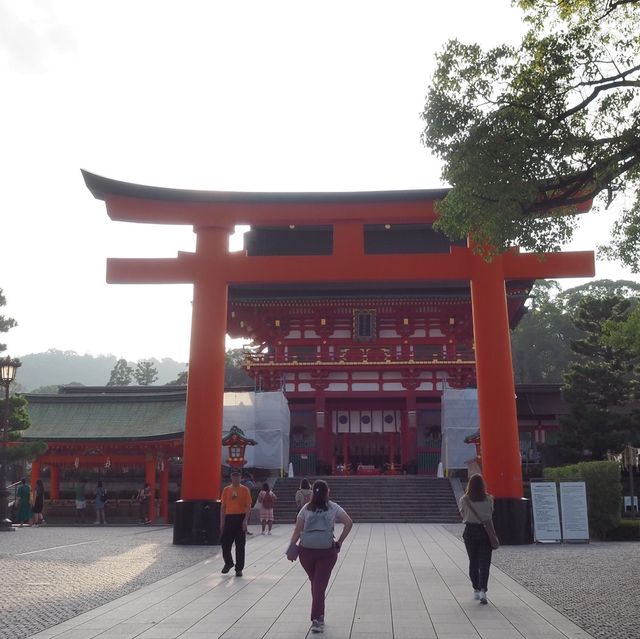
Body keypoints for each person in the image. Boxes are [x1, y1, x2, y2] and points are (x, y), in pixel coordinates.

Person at [286, 479, 353, 634]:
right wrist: (340, 542)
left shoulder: (305, 508)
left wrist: (291, 548)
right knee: (319, 584)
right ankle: (317, 619)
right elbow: (348, 523)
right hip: (326, 552)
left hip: (306, 552)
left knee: (316, 583)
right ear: (327, 492)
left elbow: (297, 531)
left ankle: (318, 615)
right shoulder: (333, 507)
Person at [458, 473, 495, 605]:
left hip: (470, 531)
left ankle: (476, 588)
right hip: (485, 531)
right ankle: (483, 590)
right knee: (484, 563)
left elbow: (462, 515)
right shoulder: (489, 499)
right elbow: (490, 513)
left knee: (473, 561)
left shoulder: (464, 499)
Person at [220, 470, 252, 577]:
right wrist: (222, 521)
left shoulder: (244, 490)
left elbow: (248, 506)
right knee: (225, 543)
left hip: (240, 517)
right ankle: (228, 562)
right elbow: (223, 506)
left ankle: (239, 568)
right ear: (231, 478)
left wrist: (245, 520)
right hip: (229, 517)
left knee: (240, 545)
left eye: (237, 477)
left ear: (240, 478)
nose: (235, 479)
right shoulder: (226, 490)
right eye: (234, 477)